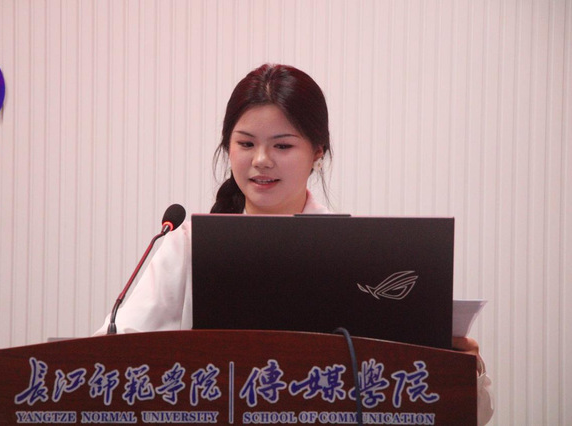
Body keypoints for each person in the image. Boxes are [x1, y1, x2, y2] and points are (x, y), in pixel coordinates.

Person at [94, 63, 493, 424]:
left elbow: (464, 409)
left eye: (282, 146)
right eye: (245, 144)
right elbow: (105, 361)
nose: (261, 160)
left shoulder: (357, 252)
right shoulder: (188, 244)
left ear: (317, 152)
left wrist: (460, 367)